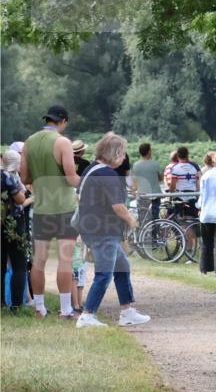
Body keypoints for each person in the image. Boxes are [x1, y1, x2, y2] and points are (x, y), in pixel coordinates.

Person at [74, 133, 151, 329]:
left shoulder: (92, 169)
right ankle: (87, 315)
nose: (124, 157)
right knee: (105, 273)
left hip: (94, 228)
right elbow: (118, 206)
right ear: (115, 153)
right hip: (102, 230)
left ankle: (127, 312)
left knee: (122, 267)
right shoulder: (107, 174)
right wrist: (132, 221)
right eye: (123, 153)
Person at [20, 104, 80, 319]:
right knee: (65, 259)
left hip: (42, 208)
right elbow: (71, 178)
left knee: (39, 261)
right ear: (63, 121)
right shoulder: (63, 142)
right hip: (64, 207)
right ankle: (65, 310)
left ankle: (40, 308)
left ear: (48, 120)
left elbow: (25, 178)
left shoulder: (29, 142)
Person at [2, 150, 30, 311]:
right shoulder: (9, 177)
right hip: (14, 224)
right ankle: (17, 305)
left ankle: (1, 303)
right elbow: (20, 199)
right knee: (19, 265)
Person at [133, 142, 163, 222]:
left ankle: (143, 233)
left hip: (142, 195)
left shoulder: (136, 165)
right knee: (155, 218)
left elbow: (135, 181)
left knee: (143, 218)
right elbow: (161, 178)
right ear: (149, 152)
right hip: (155, 194)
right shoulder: (155, 164)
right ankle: (155, 233)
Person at [168, 146, 200, 216]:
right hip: (192, 196)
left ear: (177, 155)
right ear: (187, 155)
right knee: (191, 220)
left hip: (180, 197)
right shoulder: (194, 167)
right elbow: (198, 185)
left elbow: (172, 186)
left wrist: (170, 198)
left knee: (179, 219)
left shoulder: (175, 168)